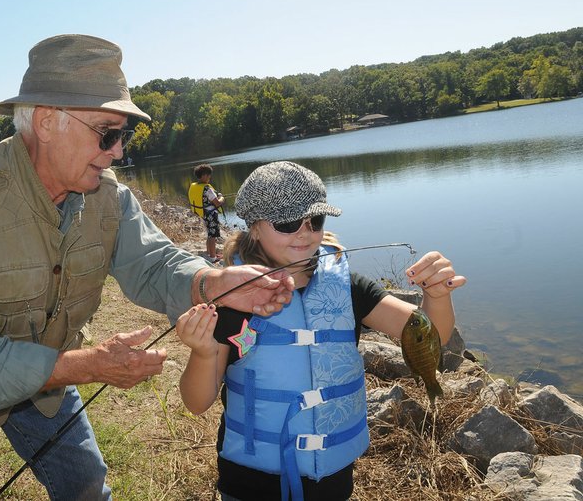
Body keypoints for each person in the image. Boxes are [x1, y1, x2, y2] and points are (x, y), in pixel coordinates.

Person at [0, 35, 295, 501]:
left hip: (44, 370)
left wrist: (213, 282)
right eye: (107, 132)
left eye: (123, 135)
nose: (117, 151)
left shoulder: (107, 195)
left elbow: (153, 263)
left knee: (86, 486)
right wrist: (91, 365)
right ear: (48, 122)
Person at [175, 161, 467, 501]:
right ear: (254, 227)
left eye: (316, 220)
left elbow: (432, 335)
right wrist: (203, 351)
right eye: (287, 222)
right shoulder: (233, 301)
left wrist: (437, 295)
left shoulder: (350, 288)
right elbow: (197, 402)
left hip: (331, 482)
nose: (305, 231)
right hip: (249, 484)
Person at [188, 163, 226, 262]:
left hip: (202, 214)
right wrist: (222, 198)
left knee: (209, 234)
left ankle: (210, 254)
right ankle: (213, 257)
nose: (209, 177)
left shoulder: (195, 186)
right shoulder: (207, 189)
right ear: (204, 175)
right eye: (209, 175)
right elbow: (217, 203)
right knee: (213, 236)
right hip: (210, 214)